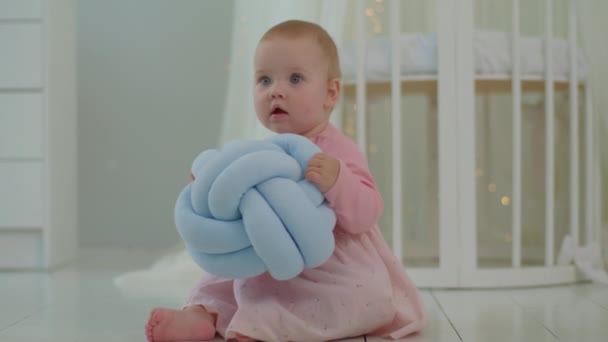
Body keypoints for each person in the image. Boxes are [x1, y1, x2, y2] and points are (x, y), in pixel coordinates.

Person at [145, 20, 426, 342]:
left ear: (330, 93)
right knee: (218, 278)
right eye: (264, 79)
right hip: (265, 253)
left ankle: (261, 324)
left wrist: (337, 180)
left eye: (295, 79)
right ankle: (200, 314)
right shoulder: (261, 153)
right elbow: (236, 199)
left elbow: (367, 213)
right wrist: (210, 182)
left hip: (330, 265)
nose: (276, 90)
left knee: (356, 295)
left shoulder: (335, 149)